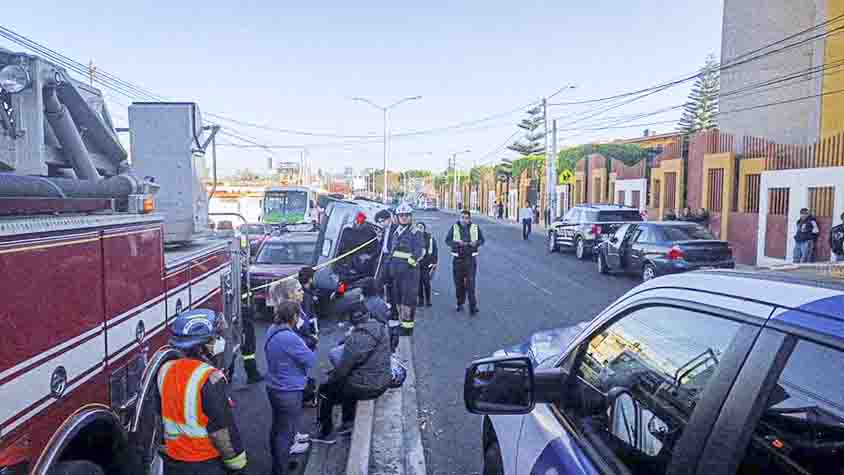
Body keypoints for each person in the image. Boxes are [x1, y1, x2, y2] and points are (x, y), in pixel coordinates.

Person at [158, 309, 247, 475]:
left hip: (173, 460)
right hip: (204, 462)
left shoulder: (165, 369)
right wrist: (237, 462)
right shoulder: (210, 378)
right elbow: (221, 429)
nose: (219, 341)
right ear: (202, 346)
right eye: (215, 338)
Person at [316, 303, 392, 441]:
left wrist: (330, 379)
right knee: (348, 383)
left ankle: (325, 433)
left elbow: (343, 370)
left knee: (325, 391)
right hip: (384, 379)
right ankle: (347, 422)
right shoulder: (382, 327)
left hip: (369, 386)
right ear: (368, 315)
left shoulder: (355, 339)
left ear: (351, 321)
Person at [264, 301, 317, 475]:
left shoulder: (272, 329)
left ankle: (280, 464)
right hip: (288, 390)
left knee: (277, 428)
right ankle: (280, 470)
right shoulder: (290, 337)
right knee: (285, 434)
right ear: (294, 317)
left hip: (274, 386)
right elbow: (310, 360)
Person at [383, 203, 425, 335]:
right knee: (398, 299)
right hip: (396, 274)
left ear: (410, 216)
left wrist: (409, 264)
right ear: (398, 217)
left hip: (409, 274)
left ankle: (407, 328)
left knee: (408, 301)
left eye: (407, 215)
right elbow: (392, 252)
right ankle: (402, 323)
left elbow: (420, 251)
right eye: (401, 215)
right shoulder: (395, 232)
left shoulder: (415, 232)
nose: (404, 218)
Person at [445, 210, 485, 315]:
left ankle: (473, 307)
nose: (464, 219)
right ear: (460, 218)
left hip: (470, 259)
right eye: (462, 217)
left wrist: (476, 243)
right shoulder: (454, 227)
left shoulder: (475, 227)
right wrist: (457, 243)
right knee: (459, 284)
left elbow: (482, 240)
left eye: (466, 218)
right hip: (458, 259)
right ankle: (460, 303)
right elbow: (447, 241)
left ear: (469, 219)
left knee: (471, 284)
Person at [416, 222, 438, 307]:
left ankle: (428, 300)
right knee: (418, 284)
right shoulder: (414, 237)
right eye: (418, 227)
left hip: (427, 264)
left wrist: (434, 262)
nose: (419, 228)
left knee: (426, 282)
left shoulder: (430, 238)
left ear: (424, 228)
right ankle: (420, 300)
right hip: (417, 264)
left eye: (421, 227)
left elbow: (435, 251)